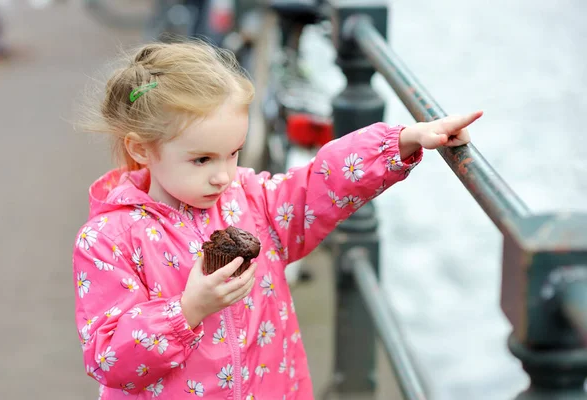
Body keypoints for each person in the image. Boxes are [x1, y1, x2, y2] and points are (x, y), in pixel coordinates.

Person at [73, 40, 482, 399]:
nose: (223, 175)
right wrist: (188, 310)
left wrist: (400, 142)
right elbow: (109, 357)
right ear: (141, 150)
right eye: (201, 159)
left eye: (233, 152)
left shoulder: (252, 200)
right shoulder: (109, 240)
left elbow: (319, 185)